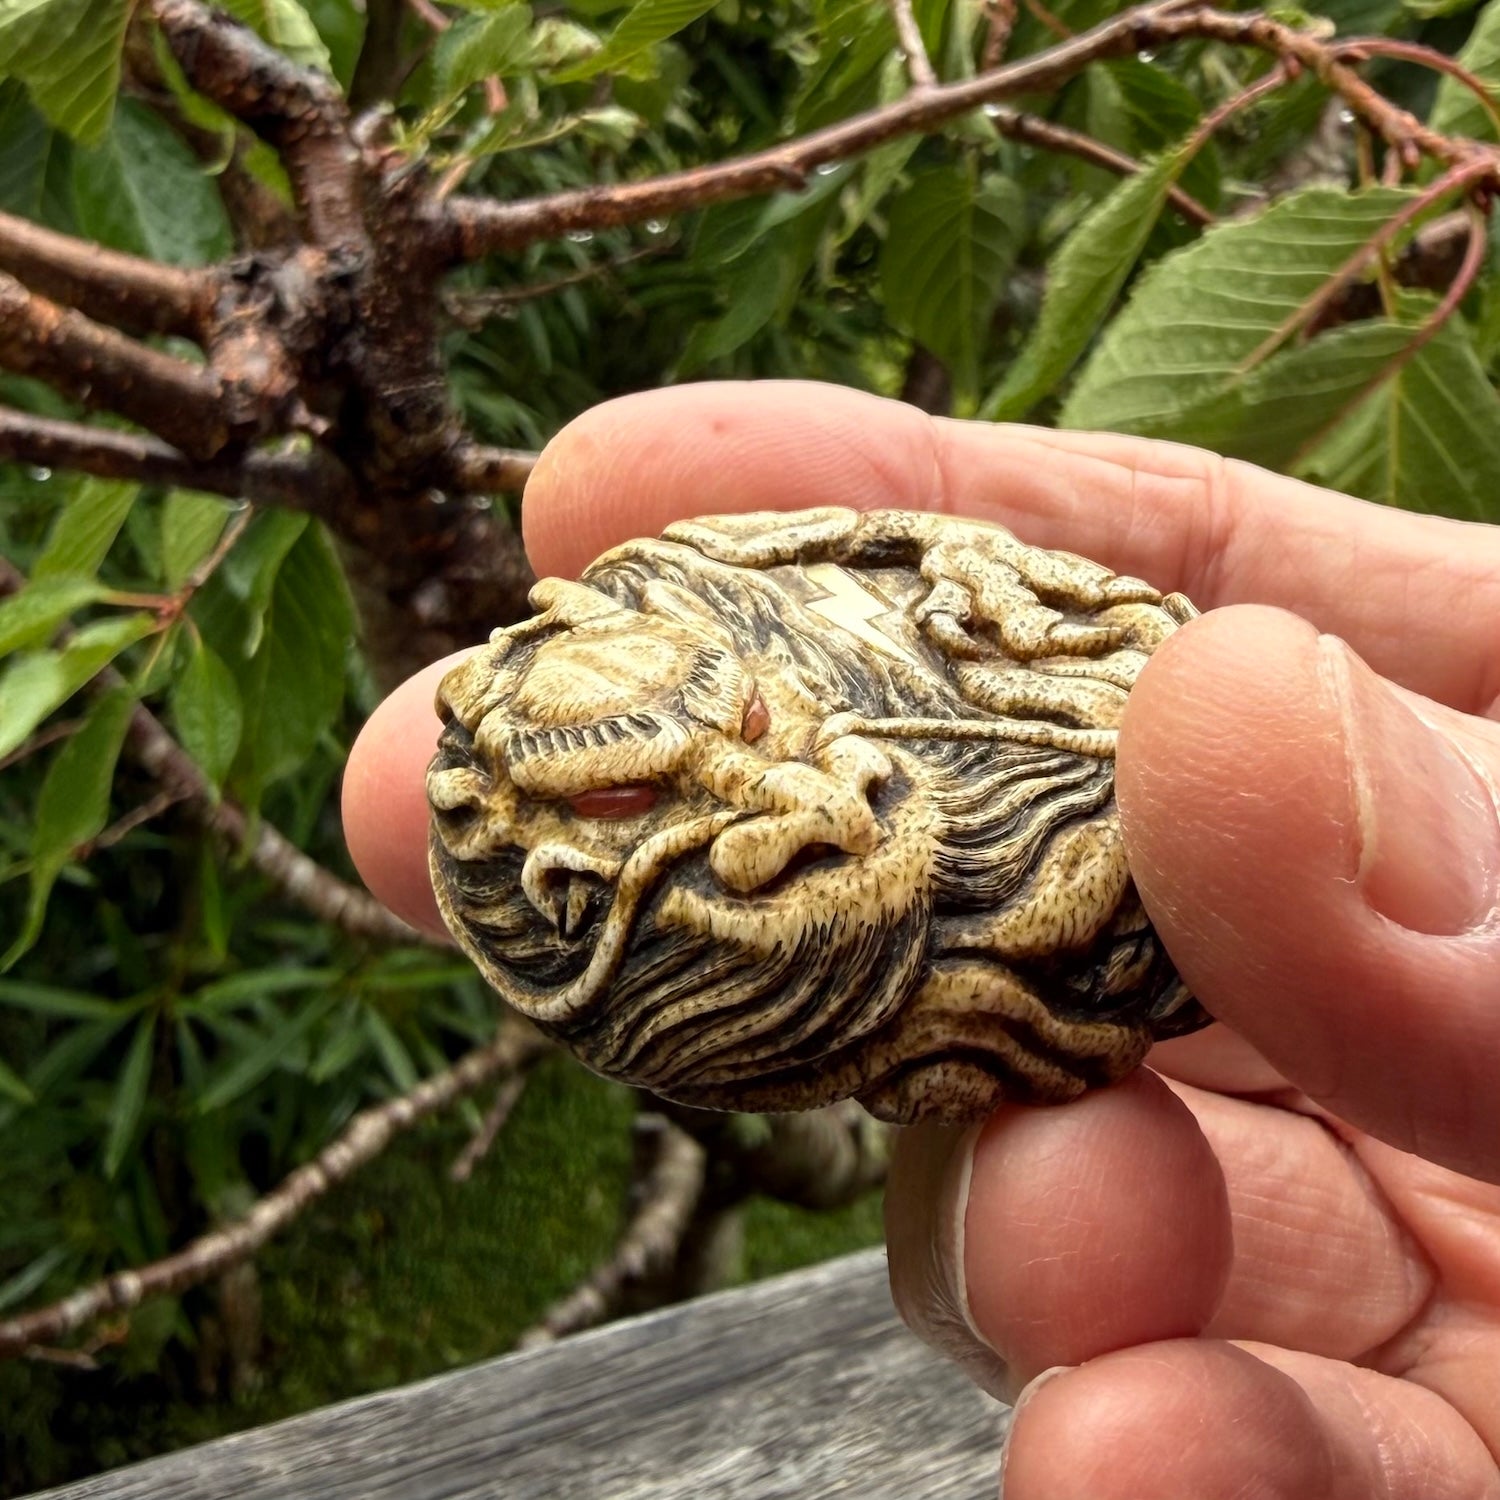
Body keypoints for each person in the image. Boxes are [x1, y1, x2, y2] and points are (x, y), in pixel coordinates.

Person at [342, 381, 1500, 1496]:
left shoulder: (773, 624)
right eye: (639, 797)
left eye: (744, 722)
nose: (766, 777)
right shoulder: (657, 927)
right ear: (565, 873)